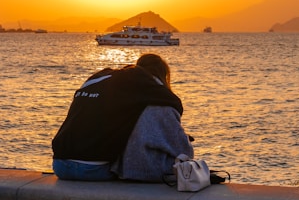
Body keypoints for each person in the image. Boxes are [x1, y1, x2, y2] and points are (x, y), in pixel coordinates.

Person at [52, 53, 194, 182]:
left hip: (59, 165)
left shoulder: (100, 78)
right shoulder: (148, 88)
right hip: (95, 170)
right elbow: (172, 104)